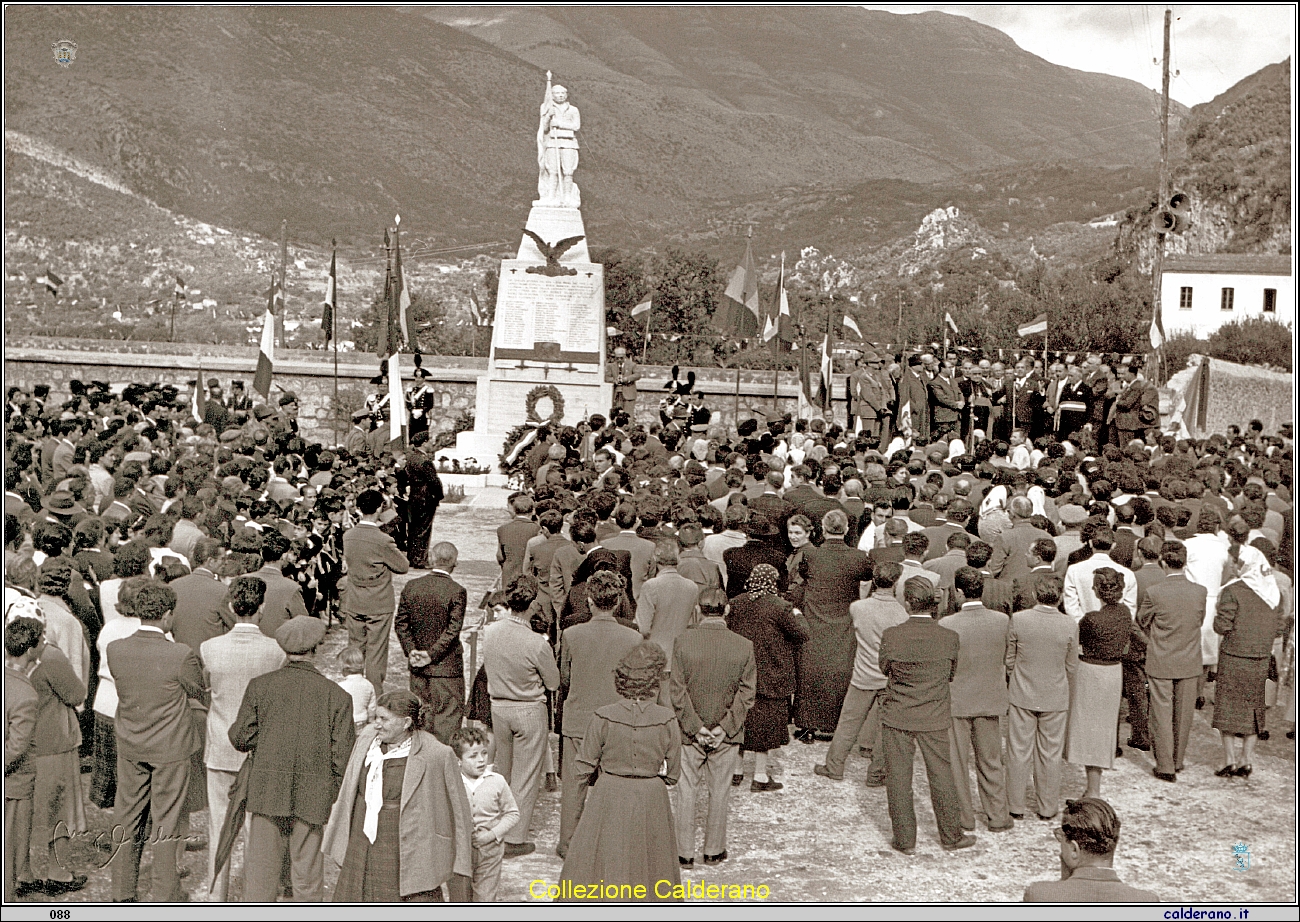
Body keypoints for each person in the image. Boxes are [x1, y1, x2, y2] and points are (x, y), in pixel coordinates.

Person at [230, 616, 356, 902]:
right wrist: (330, 790)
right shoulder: (337, 696)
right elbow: (343, 758)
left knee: (261, 878)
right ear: (316, 649)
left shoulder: (260, 686)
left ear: (284, 649)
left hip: (267, 790)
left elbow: (240, 738)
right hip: (314, 794)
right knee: (307, 877)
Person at [558, 642, 681, 902]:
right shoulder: (667, 719)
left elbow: (582, 769)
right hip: (651, 797)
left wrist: (572, 828)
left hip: (610, 794)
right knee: (650, 867)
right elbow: (673, 774)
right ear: (655, 681)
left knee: (605, 861)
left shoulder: (603, 716)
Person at [324, 691, 473, 902]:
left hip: (405, 845)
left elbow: (459, 812)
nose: (377, 724)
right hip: (362, 837)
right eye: (376, 717)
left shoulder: (437, 754)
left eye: (384, 719)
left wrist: (459, 861)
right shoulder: (368, 739)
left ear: (406, 722)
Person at [108, 581, 205, 903]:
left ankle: (122, 891)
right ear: (166, 615)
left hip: (131, 743)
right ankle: (166, 893)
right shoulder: (180, 654)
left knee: (127, 815)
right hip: (170, 747)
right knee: (167, 819)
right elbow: (196, 690)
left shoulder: (116, 649)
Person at [199, 577, 287, 902]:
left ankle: (215, 896)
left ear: (232, 607)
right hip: (258, 751)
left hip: (221, 746)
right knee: (256, 829)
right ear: (261, 608)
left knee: (218, 825)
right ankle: (255, 896)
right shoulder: (276, 652)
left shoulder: (210, 648)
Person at [877, 578, 972, 854]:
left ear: (907, 603)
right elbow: (950, 675)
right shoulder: (949, 637)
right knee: (942, 775)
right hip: (934, 714)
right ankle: (951, 836)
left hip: (898, 714)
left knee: (898, 778)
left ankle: (905, 840)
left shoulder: (892, 635)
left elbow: (885, 669)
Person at [556, 570, 642, 858]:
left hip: (579, 718)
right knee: (615, 786)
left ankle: (568, 844)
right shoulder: (632, 637)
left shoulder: (570, 634)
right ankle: (613, 843)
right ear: (618, 602)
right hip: (617, 720)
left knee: (574, 786)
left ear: (589, 601)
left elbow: (564, 679)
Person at [670, 588, 756, 866]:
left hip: (689, 732)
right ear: (727, 610)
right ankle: (714, 850)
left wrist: (696, 727)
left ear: (698, 610)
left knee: (686, 791)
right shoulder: (744, 645)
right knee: (719, 791)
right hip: (726, 734)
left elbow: (677, 692)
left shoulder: (682, 642)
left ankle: (684, 853)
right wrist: (724, 728)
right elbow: (747, 693)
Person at [481, 575, 559, 858]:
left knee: (504, 768)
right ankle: (513, 838)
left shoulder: (490, 631)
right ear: (532, 604)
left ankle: (495, 825)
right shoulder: (537, 643)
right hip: (528, 708)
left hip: (498, 706)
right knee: (525, 777)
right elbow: (552, 682)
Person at [815, 561, 907, 785]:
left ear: (874, 580)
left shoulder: (858, 608)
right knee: (886, 728)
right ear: (895, 582)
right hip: (889, 678)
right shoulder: (902, 614)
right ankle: (877, 773)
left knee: (848, 723)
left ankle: (834, 766)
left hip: (863, 674)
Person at [791, 509, 873, 742]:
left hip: (816, 618)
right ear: (846, 530)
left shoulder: (812, 556)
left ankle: (807, 724)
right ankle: (835, 722)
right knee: (840, 670)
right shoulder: (858, 557)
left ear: (823, 529)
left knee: (810, 669)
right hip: (844, 620)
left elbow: (804, 576)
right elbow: (869, 575)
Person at [726, 564, 809, 790]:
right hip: (771, 674)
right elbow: (803, 633)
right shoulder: (780, 607)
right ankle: (760, 776)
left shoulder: (736, 603)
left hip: (741, 672)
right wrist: (798, 613)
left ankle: (736, 771)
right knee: (765, 725)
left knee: (741, 720)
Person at [943, 567, 1014, 833]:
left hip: (957, 701)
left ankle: (964, 817)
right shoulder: (1002, 621)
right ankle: (997, 815)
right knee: (991, 760)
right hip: (989, 699)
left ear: (959, 592)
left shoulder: (947, 624)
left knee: (957, 763)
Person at [1212, 533, 1285, 778]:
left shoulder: (1233, 591)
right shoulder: (1275, 593)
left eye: (1235, 563)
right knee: (1255, 710)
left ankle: (1229, 759)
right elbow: (1278, 628)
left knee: (1227, 710)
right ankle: (1247, 759)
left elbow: (1222, 626)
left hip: (1234, 656)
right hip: (1261, 658)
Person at [1005, 574, 1077, 821]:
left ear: (1035, 595)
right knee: (1050, 753)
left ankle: (1015, 805)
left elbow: (1009, 659)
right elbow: (1071, 665)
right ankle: (1047, 807)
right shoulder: (1070, 624)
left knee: (1018, 750)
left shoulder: (1020, 619)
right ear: (1060, 597)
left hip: (1022, 693)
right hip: (1055, 695)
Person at [1136, 541, 1207, 782]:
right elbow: (1198, 620)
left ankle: (1165, 764)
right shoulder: (1200, 591)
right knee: (1184, 714)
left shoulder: (1154, 592)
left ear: (1163, 562)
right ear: (1184, 562)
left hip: (1161, 659)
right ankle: (1177, 759)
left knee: (1161, 713)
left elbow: (1142, 620)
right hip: (1189, 660)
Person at [1065, 568, 1130, 799]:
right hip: (1114, 673)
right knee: (1103, 730)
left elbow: (1077, 643)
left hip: (1091, 673)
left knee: (1089, 731)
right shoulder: (1124, 613)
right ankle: (1094, 786)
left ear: (1099, 590)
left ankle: (1093, 789)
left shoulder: (1091, 619)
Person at [395, 541, 466, 744]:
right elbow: (453, 630)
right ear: (455, 563)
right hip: (446, 669)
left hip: (418, 667)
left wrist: (413, 651)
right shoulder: (456, 590)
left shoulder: (412, 586)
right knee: (447, 724)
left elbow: (401, 624)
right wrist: (431, 654)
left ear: (431, 559)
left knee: (420, 721)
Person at [341, 489, 410, 694]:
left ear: (358, 508)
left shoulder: (349, 536)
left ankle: (353, 691)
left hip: (354, 599)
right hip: (378, 601)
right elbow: (403, 566)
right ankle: (374, 694)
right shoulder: (382, 539)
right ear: (380, 507)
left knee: (355, 648)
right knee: (376, 653)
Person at [1023, 798, 1159, 902]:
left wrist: (1064, 881)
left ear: (1074, 849)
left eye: (1061, 838)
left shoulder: (1039, 895)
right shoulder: (1147, 900)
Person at [451, 726, 519, 902]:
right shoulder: (452, 783)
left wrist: (491, 835)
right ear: (458, 760)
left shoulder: (497, 781)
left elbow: (512, 814)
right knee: (460, 898)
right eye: (473, 756)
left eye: (484, 753)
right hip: (459, 852)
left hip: (490, 851)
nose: (481, 760)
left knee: (485, 898)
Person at [636, 541, 701, 703]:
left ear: (656, 559)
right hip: (680, 657)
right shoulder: (691, 587)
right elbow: (693, 622)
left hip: (653, 657)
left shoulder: (650, 586)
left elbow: (643, 627)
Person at [6, 614, 42, 901]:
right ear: (31, 650)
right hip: (14, 783)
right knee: (10, 847)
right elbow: (17, 747)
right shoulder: (26, 694)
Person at [536, 72, 581, 207]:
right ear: (553, 95)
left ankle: (567, 196)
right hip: (553, 143)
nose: (560, 96)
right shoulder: (548, 108)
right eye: (557, 93)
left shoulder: (573, 110)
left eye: (563, 93)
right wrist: (548, 117)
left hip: (568, 143)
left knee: (568, 171)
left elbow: (576, 126)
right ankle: (551, 196)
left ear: (566, 95)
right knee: (553, 171)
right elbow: (544, 129)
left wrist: (560, 124)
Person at [338, 647, 377, 734]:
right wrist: (371, 721)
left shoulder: (341, 686)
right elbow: (372, 708)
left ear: (343, 668)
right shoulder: (368, 685)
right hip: (362, 722)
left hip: (346, 722)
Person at [611, 346, 640, 419]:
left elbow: (638, 375)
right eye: (617, 358)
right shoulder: (611, 365)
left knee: (628, 415)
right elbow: (606, 377)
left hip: (628, 394)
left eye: (621, 358)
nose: (619, 359)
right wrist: (614, 380)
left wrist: (627, 379)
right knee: (616, 415)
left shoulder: (632, 365)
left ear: (624, 356)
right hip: (616, 394)